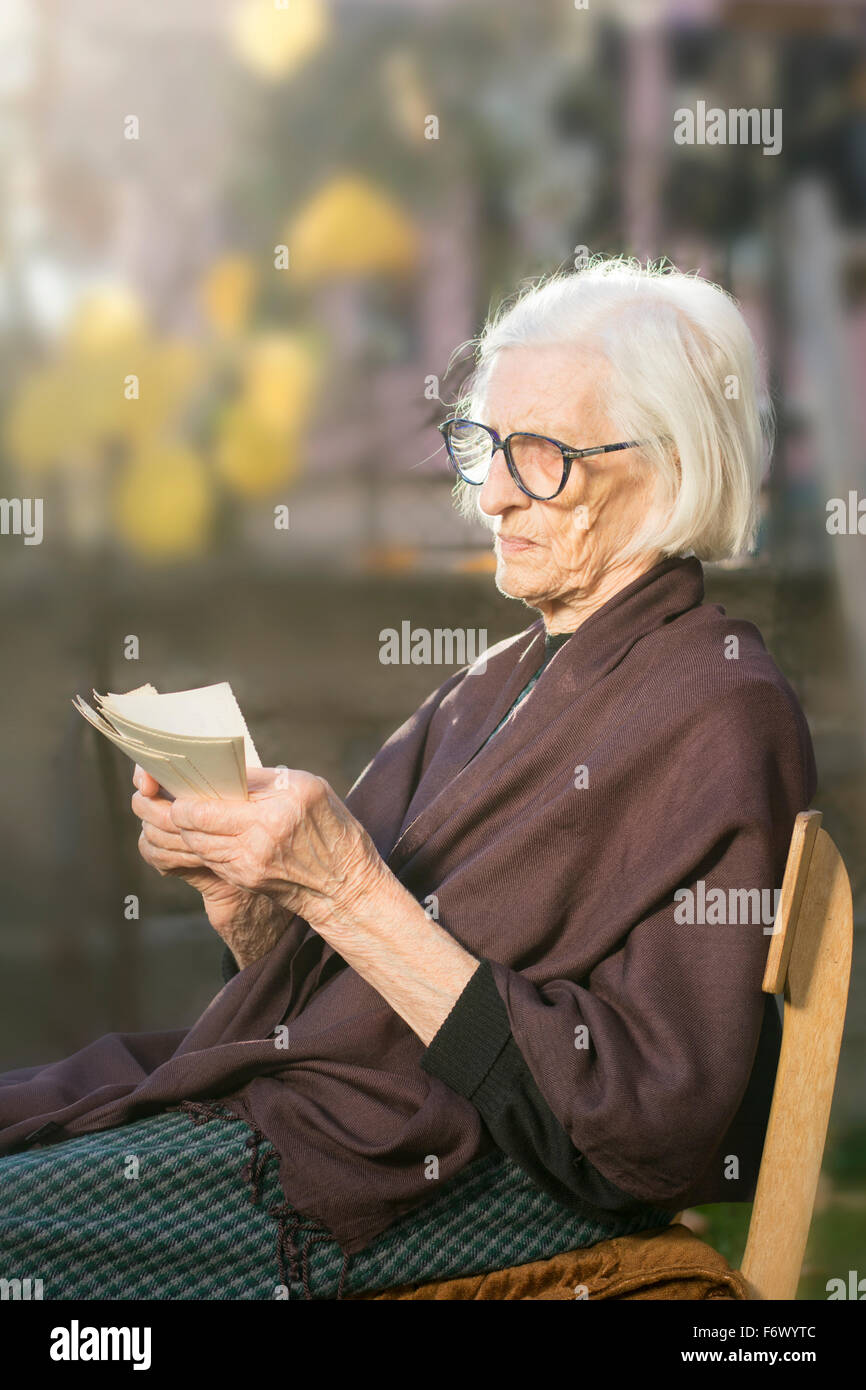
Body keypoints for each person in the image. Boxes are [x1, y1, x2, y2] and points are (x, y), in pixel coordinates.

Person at [0, 257, 815, 1300]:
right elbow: (352, 993)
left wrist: (345, 885)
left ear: (669, 465)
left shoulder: (717, 702)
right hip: (328, 1120)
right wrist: (254, 897)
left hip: (456, 1176)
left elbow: (641, 1122)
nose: (490, 494)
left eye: (542, 455)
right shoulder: (495, 682)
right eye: (482, 446)